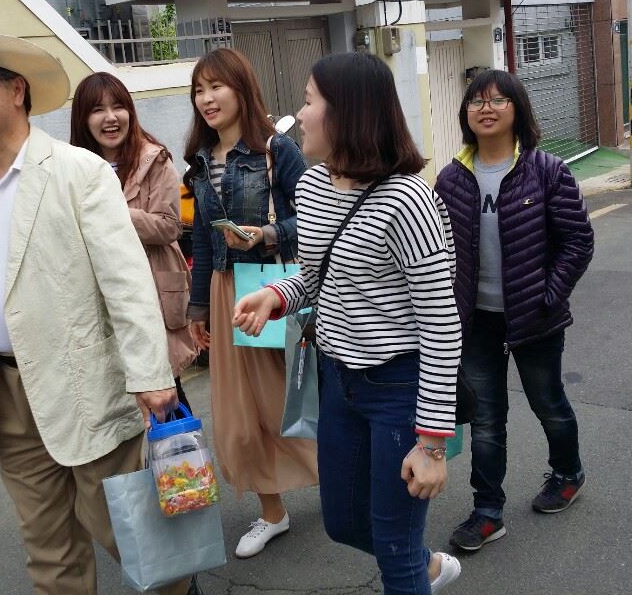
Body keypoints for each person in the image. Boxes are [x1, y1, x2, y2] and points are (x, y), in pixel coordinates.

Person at [0, 21, 194, 595]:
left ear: (17, 90)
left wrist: (151, 375)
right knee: (49, 551)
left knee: (132, 534)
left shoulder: (78, 171)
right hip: (9, 394)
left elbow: (127, 281)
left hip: (86, 383)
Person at [233, 52, 463, 594]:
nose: (299, 113)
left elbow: (441, 323)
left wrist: (432, 444)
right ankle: (427, 567)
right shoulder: (312, 187)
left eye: (309, 101)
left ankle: (413, 570)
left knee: (395, 547)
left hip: (399, 387)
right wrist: (276, 294)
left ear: (347, 113)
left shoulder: (408, 200)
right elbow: (319, 277)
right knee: (342, 523)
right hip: (336, 381)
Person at [434, 69, 594, 553]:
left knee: (548, 402)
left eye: (498, 100)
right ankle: (487, 512)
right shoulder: (451, 178)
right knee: (485, 418)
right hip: (476, 320)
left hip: (535, 317)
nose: (486, 108)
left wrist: (549, 295)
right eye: (476, 101)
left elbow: (578, 241)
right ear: (465, 113)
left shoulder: (547, 170)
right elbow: (440, 250)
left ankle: (568, 473)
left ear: (517, 109)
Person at [183, 48, 318, 558]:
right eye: (199, 90)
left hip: (274, 285)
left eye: (216, 86)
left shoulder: (277, 150)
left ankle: (345, 473)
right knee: (242, 415)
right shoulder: (199, 160)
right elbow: (201, 239)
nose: (207, 98)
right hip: (225, 292)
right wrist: (198, 309)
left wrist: (265, 233)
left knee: (296, 400)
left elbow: (316, 217)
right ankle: (272, 512)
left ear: (241, 88)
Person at [70, 72, 197, 409]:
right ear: (83, 119)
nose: (110, 118)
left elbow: (169, 226)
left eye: (118, 107)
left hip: (153, 296)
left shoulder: (154, 160)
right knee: (116, 403)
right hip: (100, 299)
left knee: (164, 394)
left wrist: (109, 213)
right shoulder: (73, 170)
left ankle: (179, 445)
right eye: (97, 110)